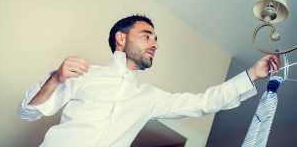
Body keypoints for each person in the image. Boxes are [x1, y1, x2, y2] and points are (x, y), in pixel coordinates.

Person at [18, 14, 280, 147]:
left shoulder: (149, 97)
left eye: (156, 39)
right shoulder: (81, 75)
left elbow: (204, 102)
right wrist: (55, 78)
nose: (155, 44)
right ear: (122, 39)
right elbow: (27, 112)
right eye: (147, 36)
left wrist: (251, 75)